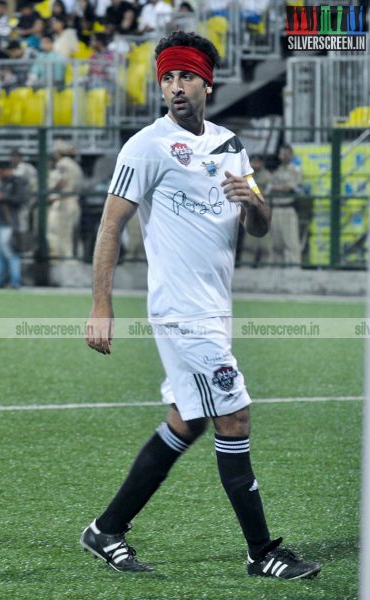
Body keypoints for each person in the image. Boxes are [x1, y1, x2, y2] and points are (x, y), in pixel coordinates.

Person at [81, 30, 321, 581]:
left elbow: (257, 227)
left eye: (185, 75)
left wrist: (254, 202)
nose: (175, 87)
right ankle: (262, 552)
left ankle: (106, 529)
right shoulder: (146, 145)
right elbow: (111, 225)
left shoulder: (230, 144)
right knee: (232, 415)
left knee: (187, 420)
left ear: (206, 82)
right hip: (180, 311)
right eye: (167, 77)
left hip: (215, 309)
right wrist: (101, 304)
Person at [0, 160, 26, 288]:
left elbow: (21, 199)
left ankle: (15, 281)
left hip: (9, 222)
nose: (2, 172)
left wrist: (3, 197)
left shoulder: (17, 182)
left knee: (10, 253)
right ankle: (0, 281)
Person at [267, 143, 302, 266]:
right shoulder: (278, 170)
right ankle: (277, 271)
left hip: (288, 208)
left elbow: (290, 187)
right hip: (275, 209)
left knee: (291, 243)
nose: (283, 156)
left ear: (291, 154)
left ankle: (295, 271)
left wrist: (275, 188)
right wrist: (276, 188)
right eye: (282, 153)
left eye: (286, 153)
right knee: (277, 244)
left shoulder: (295, 170)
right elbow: (269, 188)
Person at [47, 140, 83, 257]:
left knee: (63, 233)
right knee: (72, 233)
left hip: (65, 202)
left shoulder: (62, 164)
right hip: (75, 201)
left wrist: (52, 189)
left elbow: (62, 182)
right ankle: (72, 256)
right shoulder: (75, 165)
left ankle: (67, 258)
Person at [240, 153, 273, 266]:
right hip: (251, 211)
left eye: (258, 161)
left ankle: (267, 267)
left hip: (263, 210)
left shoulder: (267, 176)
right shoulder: (248, 176)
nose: (255, 163)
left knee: (265, 244)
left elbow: (266, 192)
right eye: (253, 161)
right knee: (249, 244)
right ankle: (246, 266)